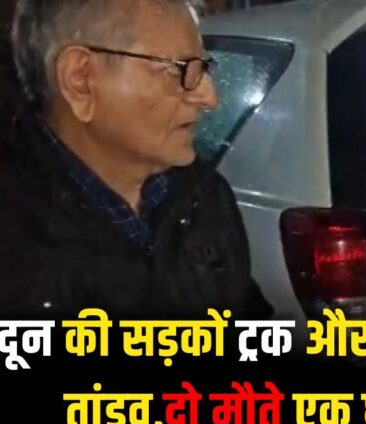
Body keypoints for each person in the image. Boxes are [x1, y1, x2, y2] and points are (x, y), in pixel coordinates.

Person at [0, 0, 273, 320]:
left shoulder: (203, 196)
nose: (209, 98)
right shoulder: (15, 236)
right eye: (178, 69)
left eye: (203, 68)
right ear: (81, 79)